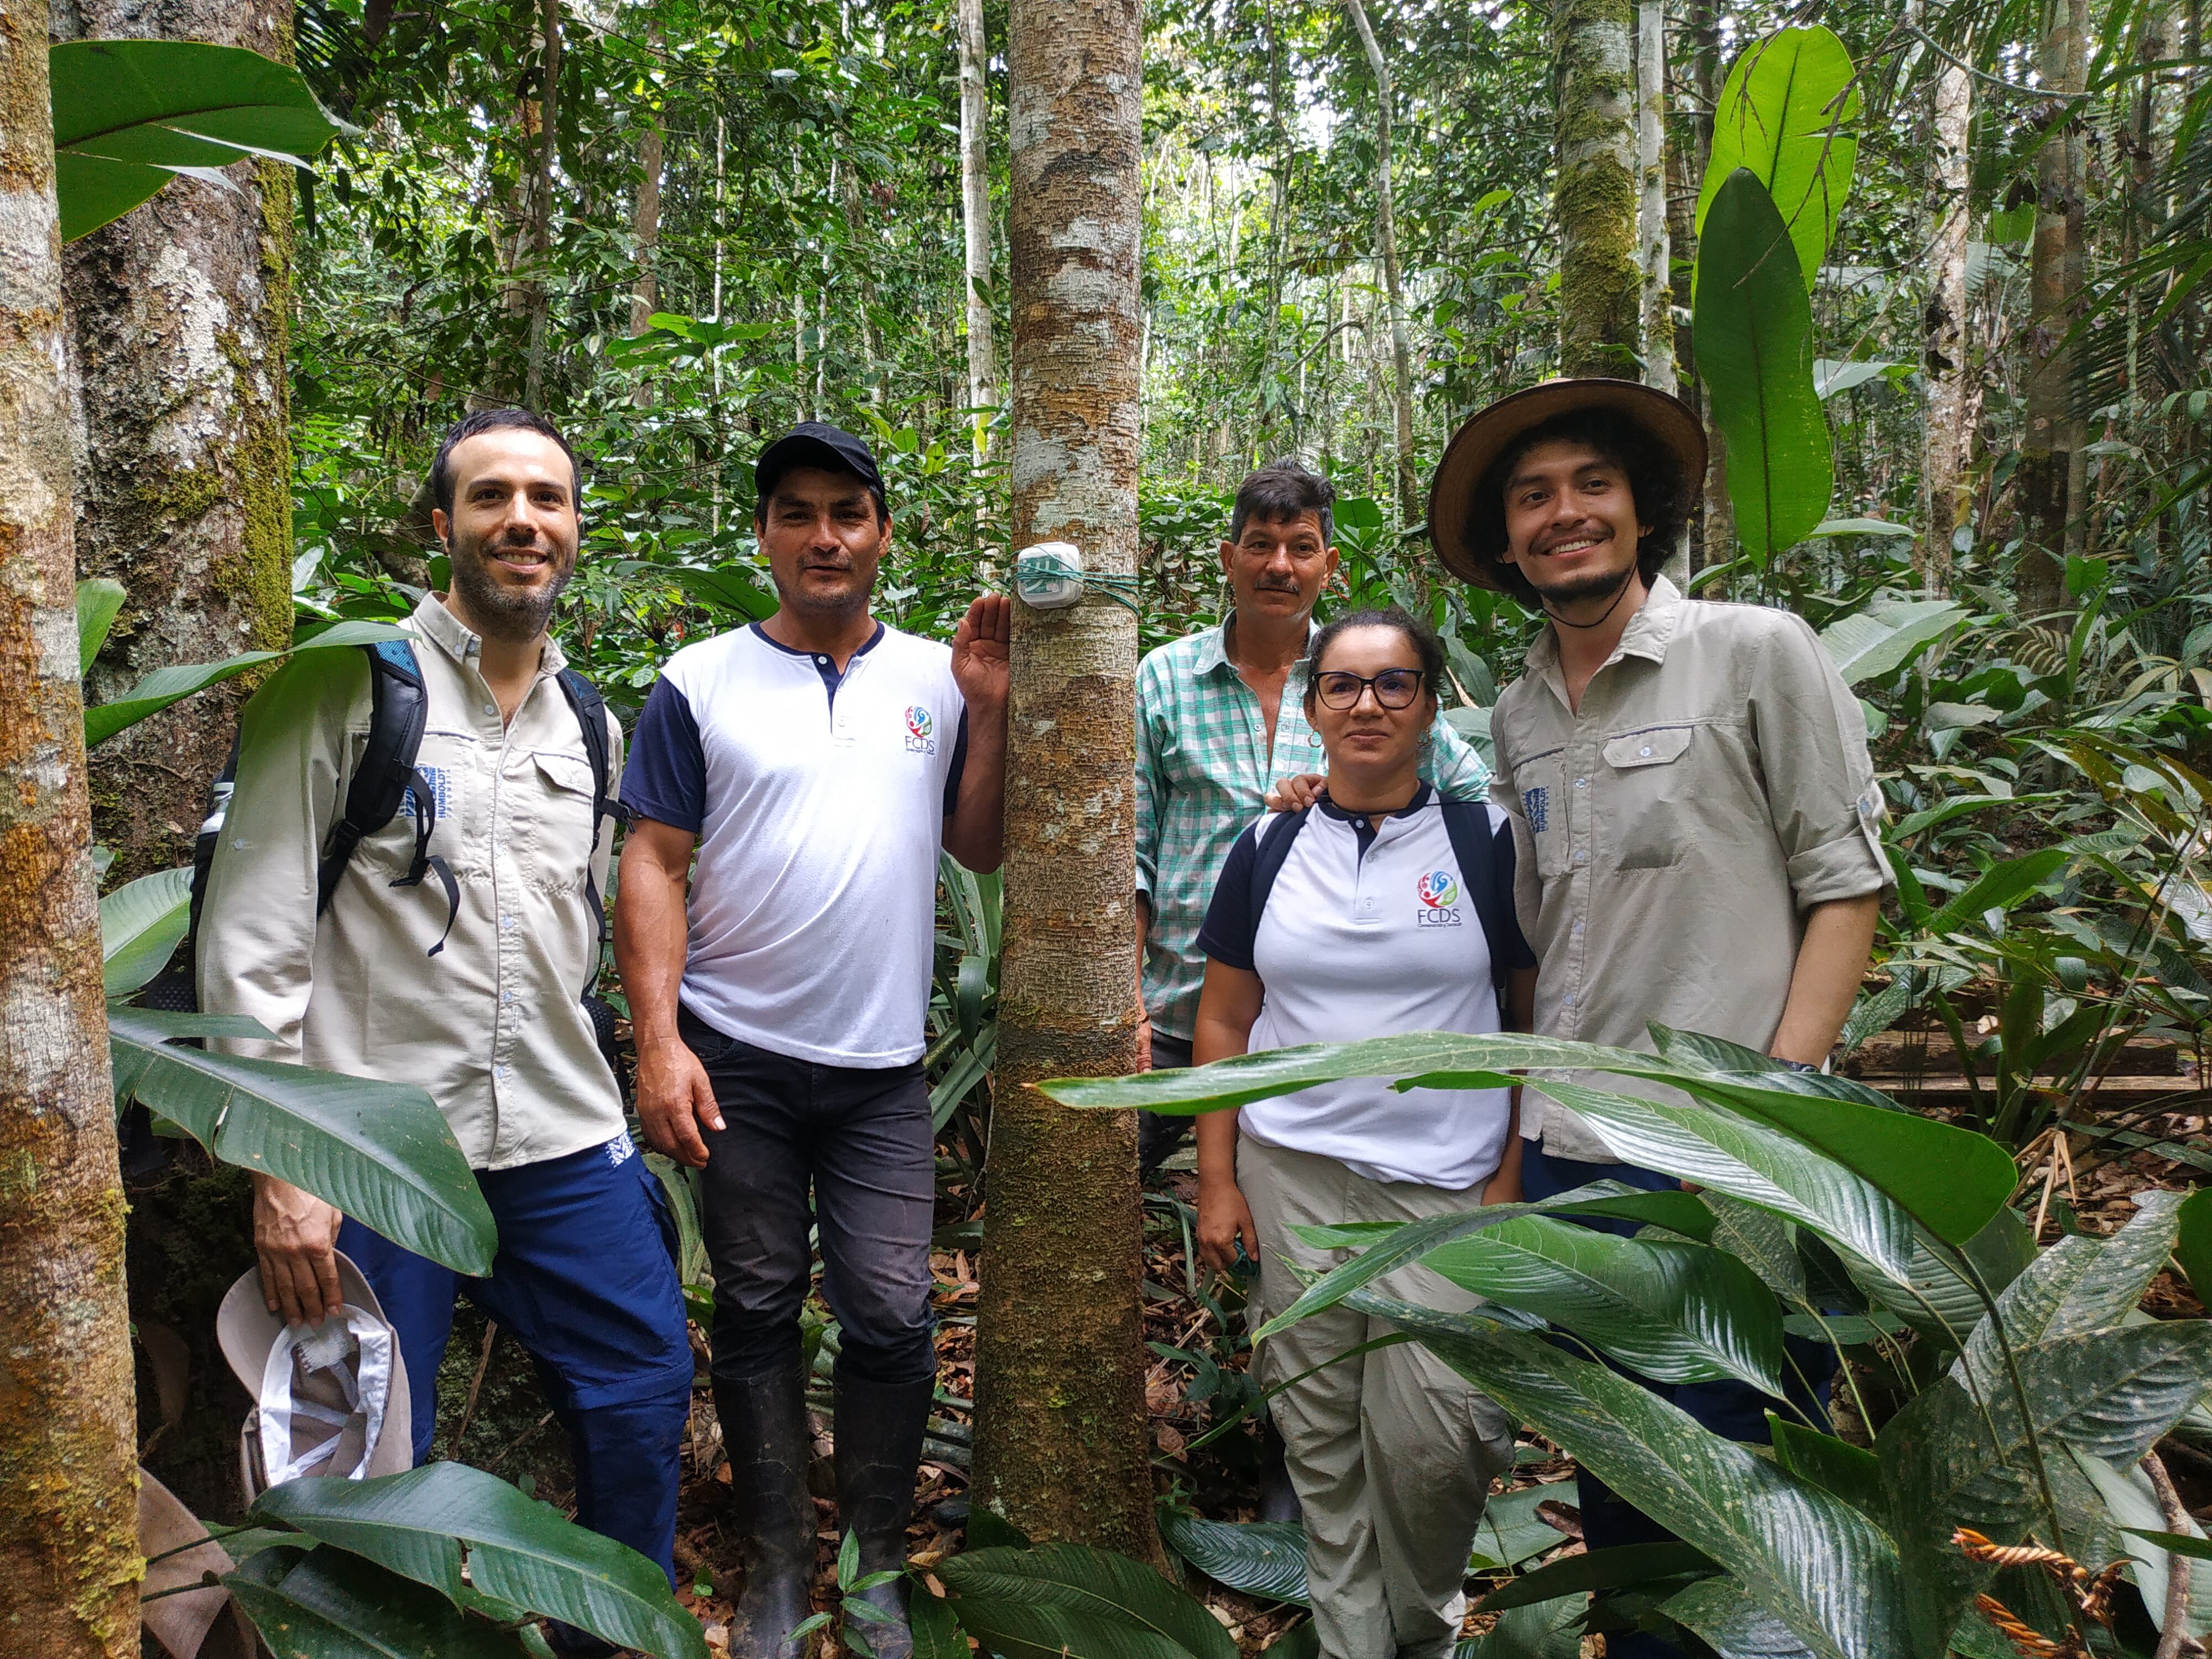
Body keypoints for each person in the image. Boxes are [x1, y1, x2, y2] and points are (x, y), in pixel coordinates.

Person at [199, 409, 692, 1658]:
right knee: (361, 1450)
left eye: (547, 498)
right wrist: (282, 1162)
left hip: (561, 1134)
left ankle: (614, 1635)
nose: (523, 520)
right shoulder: (347, 685)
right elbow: (253, 932)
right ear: (443, 525)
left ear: (574, 529)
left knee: (641, 1388)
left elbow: (578, 932)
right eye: (492, 496)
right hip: (377, 1148)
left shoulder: (591, 721)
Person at [1430, 378, 1891, 1659]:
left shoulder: (1755, 651)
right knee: (1621, 1475)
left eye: (1592, 485)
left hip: (1719, 1148)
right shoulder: (1517, 709)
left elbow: (1844, 886)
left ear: (1644, 512)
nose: (1563, 513)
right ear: (1506, 540)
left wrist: (1763, 1114)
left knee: (1741, 1482)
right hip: (1570, 1150)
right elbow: (1543, 934)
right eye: (1532, 496)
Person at [615, 422, 1009, 1659]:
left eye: (848, 512)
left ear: (883, 532)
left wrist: (989, 712)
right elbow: (653, 860)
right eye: (798, 512)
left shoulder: (936, 678)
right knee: (756, 1302)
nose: (824, 536)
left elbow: (977, 844)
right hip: (736, 1054)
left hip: (884, 1065)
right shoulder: (699, 680)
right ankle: (780, 1565)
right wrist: (658, 1042)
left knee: (890, 1314)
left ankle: (875, 1564)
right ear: (765, 535)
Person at [1190, 607, 1534, 1659]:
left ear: (1429, 706)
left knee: (1440, 1440)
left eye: (1394, 683)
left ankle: (1424, 1631)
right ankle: (1353, 1643)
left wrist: (1511, 1175)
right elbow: (1225, 1019)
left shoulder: (1486, 843)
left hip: (1446, 1187)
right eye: (1343, 684)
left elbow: (1531, 1024)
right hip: (1292, 1174)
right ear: (1313, 708)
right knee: (1319, 1432)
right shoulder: (1267, 843)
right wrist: (1218, 1176)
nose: (1368, 704)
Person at [1135, 460, 1491, 1170]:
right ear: (1228, 558)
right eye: (1259, 545)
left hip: (1321, 1021)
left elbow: (1474, 802)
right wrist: (1127, 1002)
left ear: (1328, 567)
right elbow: (1131, 849)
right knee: (1102, 1186)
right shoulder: (1164, 679)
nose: (1279, 566)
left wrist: (1356, 803)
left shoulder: (1364, 680)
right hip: (1179, 1010)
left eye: (1300, 547)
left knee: (1298, 1211)